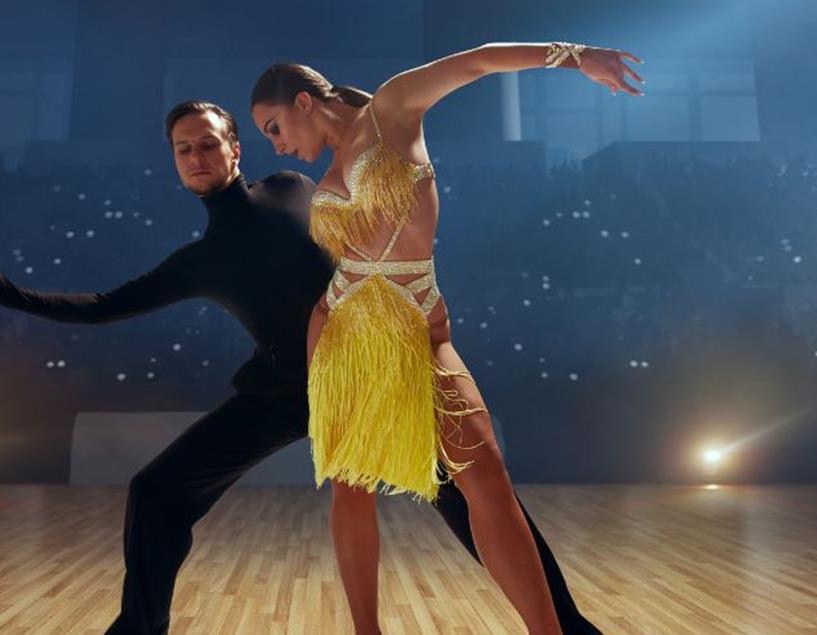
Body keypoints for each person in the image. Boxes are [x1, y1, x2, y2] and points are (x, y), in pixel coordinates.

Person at [0, 99, 603, 635]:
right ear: (176, 165)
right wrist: (5, 290)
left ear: (236, 148)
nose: (197, 157)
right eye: (184, 149)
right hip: (283, 389)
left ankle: (569, 627)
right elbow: (105, 307)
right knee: (155, 491)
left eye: (208, 143)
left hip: (368, 375)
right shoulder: (198, 259)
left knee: (474, 494)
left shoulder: (295, 189)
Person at [250, 41, 643, 634]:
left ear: (304, 101)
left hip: (417, 325)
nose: (276, 145)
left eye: (274, 127)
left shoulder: (392, 110)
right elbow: (347, 269)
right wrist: (314, 373)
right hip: (340, 338)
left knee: (485, 478)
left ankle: (549, 630)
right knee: (350, 489)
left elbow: (480, 60)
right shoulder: (329, 171)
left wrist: (573, 56)